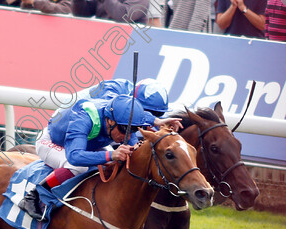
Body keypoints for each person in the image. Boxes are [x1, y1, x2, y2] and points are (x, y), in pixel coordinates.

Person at [17, 94, 182, 221]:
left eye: (132, 131)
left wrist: (157, 122)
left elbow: (135, 117)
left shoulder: (118, 117)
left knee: (122, 160)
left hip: (90, 143)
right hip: (54, 143)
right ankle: (34, 195)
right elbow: (75, 156)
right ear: (110, 121)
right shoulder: (84, 118)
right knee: (79, 167)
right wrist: (111, 154)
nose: (127, 136)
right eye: (124, 130)